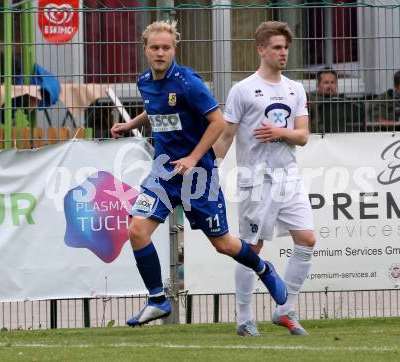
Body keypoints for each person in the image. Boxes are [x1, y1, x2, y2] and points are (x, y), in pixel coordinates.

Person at [110, 20, 287, 327]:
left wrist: (193, 157)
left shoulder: (189, 82)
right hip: (164, 175)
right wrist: (131, 124)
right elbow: (155, 108)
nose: (160, 53)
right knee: (137, 230)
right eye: (155, 48)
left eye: (166, 47)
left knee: (224, 245)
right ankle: (157, 300)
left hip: (198, 177)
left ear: (174, 48)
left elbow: (217, 122)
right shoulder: (144, 81)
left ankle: (263, 268)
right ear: (146, 50)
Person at [214, 21, 316, 337]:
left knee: (307, 239)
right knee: (251, 248)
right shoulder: (242, 90)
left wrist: (280, 132)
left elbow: (302, 136)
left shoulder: (295, 89)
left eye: (285, 47)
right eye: (276, 47)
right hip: (255, 180)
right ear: (261, 50)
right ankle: (245, 318)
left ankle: (285, 311)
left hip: (289, 179)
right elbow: (227, 134)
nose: (283, 52)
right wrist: (209, 169)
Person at [308, 67, 364, 133]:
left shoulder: (344, 101)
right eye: (326, 82)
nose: (330, 86)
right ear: (318, 85)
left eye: (332, 82)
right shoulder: (311, 101)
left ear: (336, 84)